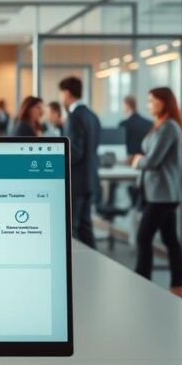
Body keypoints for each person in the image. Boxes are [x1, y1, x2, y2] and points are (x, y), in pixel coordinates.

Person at [132, 87, 182, 300]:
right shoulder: (160, 126)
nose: (148, 105)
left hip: (164, 194)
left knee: (143, 237)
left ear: (163, 103)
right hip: (158, 192)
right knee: (170, 239)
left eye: (151, 101)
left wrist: (138, 161)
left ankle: (142, 282)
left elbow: (153, 160)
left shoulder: (168, 128)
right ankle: (178, 285)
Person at [59, 76, 101, 248]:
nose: (61, 98)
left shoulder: (74, 117)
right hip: (90, 179)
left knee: (73, 229)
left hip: (76, 181)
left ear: (67, 93)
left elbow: (74, 152)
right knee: (85, 227)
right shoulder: (92, 116)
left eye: (61, 94)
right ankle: (93, 268)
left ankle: (76, 272)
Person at [119, 95, 153, 163]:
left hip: (130, 160)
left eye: (123, 105)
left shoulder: (124, 124)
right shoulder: (149, 123)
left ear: (127, 105)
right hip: (145, 159)